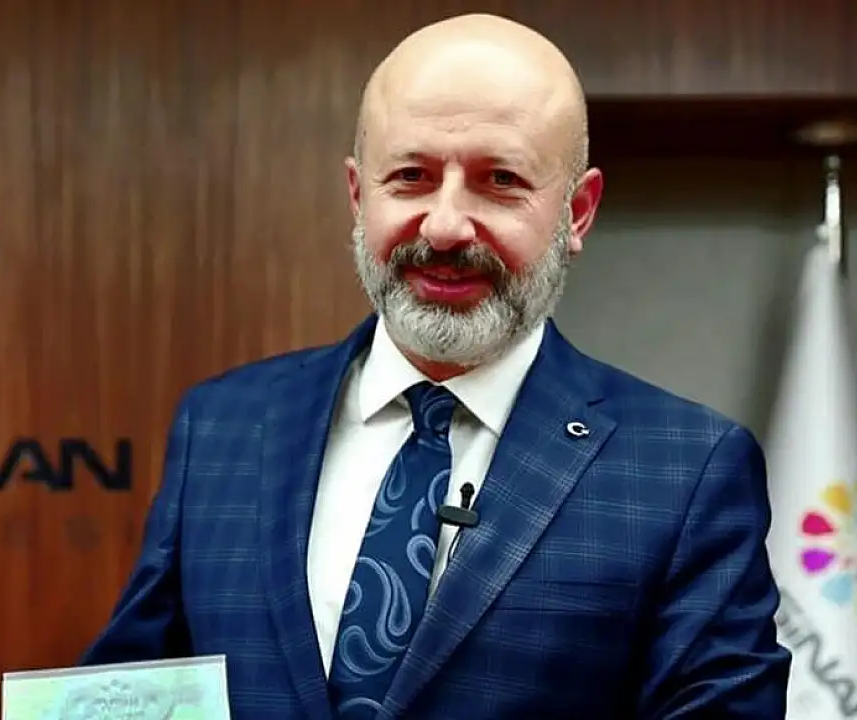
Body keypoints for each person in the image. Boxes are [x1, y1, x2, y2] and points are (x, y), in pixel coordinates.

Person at [81, 12, 791, 719]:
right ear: (358, 196)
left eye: (500, 179)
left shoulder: (685, 470)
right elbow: (132, 695)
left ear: (577, 212)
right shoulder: (224, 428)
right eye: (411, 177)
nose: (446, 226)